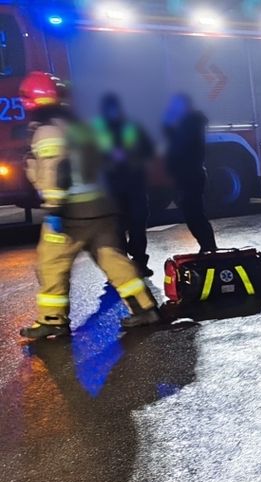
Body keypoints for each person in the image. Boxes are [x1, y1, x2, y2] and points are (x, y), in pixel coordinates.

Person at [18, 72, 160, 341]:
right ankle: (145, 309)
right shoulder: (77, 124)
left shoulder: (46, 131)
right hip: (103, 208)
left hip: (72, 214)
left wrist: (54, 208)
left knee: (51, 263)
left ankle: (52, 320)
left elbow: (54, 170)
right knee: (114, 260)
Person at [92, 92, 155, 275]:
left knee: (134, 227)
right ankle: (129, 264)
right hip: (118, 188)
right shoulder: (101, 129)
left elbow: (148, 150)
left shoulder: (130, 127)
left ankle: (137, 263)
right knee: (121, 228)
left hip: (130, 186)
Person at [162, 93, 217, 253]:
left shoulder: (191, 123)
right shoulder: (190, 123)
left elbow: (180, 145)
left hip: (190, 175)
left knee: (194, 214)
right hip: (188, 175)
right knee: (194, 214)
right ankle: (207, 247)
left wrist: (168, 127)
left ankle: (208, 247)